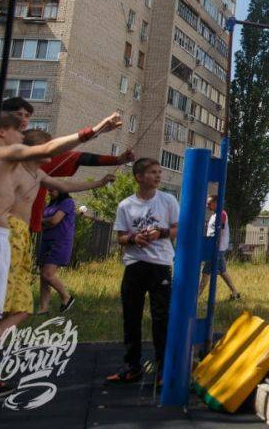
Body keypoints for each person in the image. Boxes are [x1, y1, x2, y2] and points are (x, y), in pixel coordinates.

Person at [0, 109, 121, 400]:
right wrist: (97, 128)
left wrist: (98, 183)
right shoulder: (2, 156)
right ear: (2, 133)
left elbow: (62, 181)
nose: (23, 137)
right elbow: (50, 148)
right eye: (19, 130)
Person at [0, 97, 134, 233]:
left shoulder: (26, 162)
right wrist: (94, 130)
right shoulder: (0, 154)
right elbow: (50, 149)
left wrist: (109, 167)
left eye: (27, 115)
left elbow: (68, 162)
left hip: (12, 231)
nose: (23, 121)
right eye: (17, 117)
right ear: (1, 129)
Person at [106, 159, 179, 385]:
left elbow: (179, 228)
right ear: (139, 177)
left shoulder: (167, 200)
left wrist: (161, 233)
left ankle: (162, 369)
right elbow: (120, 237)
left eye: (160, 172)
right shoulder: (126, 205)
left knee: (161, 318)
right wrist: (134, 238)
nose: (158, 176)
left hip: (160, 265)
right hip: (135, 264)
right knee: (131, 317)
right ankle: (132, 366)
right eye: (153, 173)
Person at [37, 191, 78, 314]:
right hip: (45, 241)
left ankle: (66, 297)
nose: (49, 192)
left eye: (52, 190)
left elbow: (55, 220)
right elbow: (44, 222)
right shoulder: (50, 205)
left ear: (61, 190)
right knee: (43, 277)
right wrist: (45, 221)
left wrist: (43, 221)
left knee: (48, 274)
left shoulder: (67, 202)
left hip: (60, 242)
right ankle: (44, 308)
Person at [199, 195, 240, 300]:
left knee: (205, 272)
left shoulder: (221, 214)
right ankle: (235, 292)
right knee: (222, 271)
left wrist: (213, 246)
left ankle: (196, 296)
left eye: (209, 203)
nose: (207, 205)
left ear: (216, 203)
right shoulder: (214, 215)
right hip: (214, 247)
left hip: (217, 248)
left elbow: (219, 232)